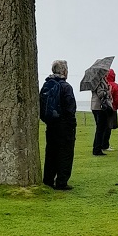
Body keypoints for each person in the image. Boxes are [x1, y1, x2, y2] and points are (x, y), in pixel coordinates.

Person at [40, 59, 77, 190]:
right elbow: (70, 108)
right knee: (65, 153)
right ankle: (61, 181)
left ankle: (48, 179)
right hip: (65, 125)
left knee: (51, 151)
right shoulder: (66, 87)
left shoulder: (47, 85)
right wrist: (72, 124)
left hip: (51, 124)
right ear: (64, 71)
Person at [90, 69, 112, 156]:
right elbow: (100, 93)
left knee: (100, 128)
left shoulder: (99, 80)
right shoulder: (99, 81)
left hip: (96, 106)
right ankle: (97, 149)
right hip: (99, 107)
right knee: (100, 129)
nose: (107, 72)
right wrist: (108, 91)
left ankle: (97, 147)